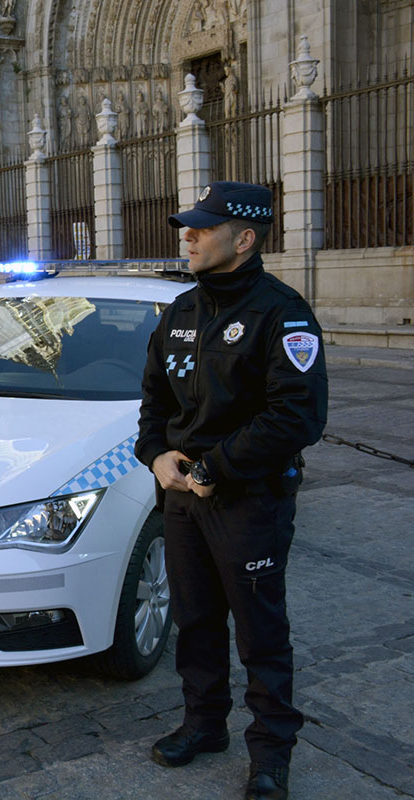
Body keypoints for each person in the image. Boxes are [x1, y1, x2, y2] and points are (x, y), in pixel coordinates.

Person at [136, 182, 328, 800]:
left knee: (259, 630)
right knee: (194, 623)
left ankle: (271, 752)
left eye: (202, 227)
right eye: (187, 226)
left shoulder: (284, 312)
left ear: (244, 239)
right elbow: (154, 406)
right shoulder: (180, 311)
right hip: (185, 499)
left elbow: (296, 417)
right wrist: (157, 455)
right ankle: (203, 725)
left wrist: (216, 467)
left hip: (250, 501)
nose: (187, 235)